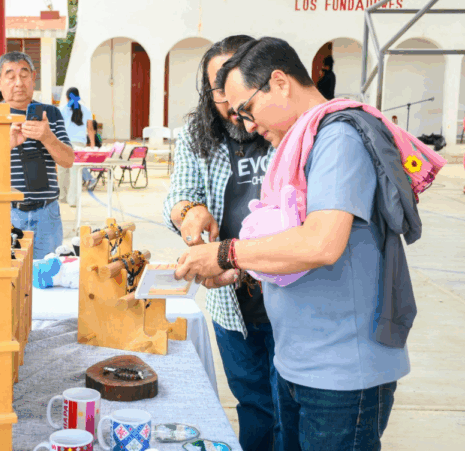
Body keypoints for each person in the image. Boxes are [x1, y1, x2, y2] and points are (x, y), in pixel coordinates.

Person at [176, 36, 440, 450]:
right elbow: (291, 243)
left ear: (280, 83)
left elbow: (321, 243)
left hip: (341, 376)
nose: (245, 124)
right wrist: (239, 267)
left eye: (247, 109)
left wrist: (227, 252)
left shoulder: (338, 138)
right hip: (301, 364)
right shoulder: (303, 143)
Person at [162, 35, 278, 451]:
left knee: (294, 408)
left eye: (237, 86)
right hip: (231, 301)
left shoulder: (284, 128)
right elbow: (177, 195)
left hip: (290, 296)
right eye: (218, 90)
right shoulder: (198, 133)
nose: (231, 103)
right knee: (255, 405)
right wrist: (189, 211)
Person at [0, 51, 74, 259]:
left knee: (47, 279)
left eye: (24, 75)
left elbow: (68, 160)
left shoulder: (52, 113)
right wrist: (6, 145)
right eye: (11, 77)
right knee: (11, 281)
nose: (18, 83)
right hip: (6, 214)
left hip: (47, 214)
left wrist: (48, 137)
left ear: (33, 78)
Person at [59, 87, 95, 206]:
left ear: (67, 97)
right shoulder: (86, 110)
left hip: (63, 143)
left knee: (62, 171)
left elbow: (57, 128)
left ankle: (62, 197)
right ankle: (73, 200)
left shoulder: (62, 109)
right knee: (75, 173)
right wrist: (92, 146)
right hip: (79, 144)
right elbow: (90, 129)